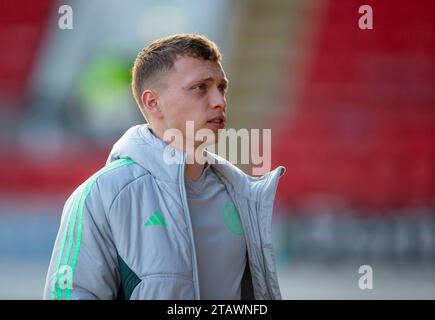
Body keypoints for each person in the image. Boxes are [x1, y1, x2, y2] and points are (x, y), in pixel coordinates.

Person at [43, 33, 285, 300]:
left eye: (221, 87)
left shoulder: (243, 193)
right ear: (152, 102)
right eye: (201, 87)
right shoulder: (103, 194)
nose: (219, 101)